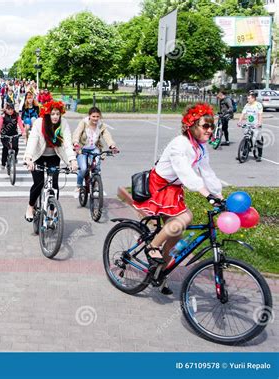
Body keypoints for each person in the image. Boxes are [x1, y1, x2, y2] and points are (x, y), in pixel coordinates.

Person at [131, 103, 223, 295]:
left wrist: (219, 195)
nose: (209, 130)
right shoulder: (180, 144)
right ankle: (152, 246)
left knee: (176, 234)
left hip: (173, 189)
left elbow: (207, 172)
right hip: (160, 186)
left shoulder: (200, 148)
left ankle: (160, 273)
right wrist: (206, 195)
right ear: (191, 126)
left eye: (211, 126)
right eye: (205, 126)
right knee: (185, 218)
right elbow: (185, 172)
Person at [23, 100, 78, 222]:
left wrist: (72, 160)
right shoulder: (39, 123)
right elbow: (32, 140)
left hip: (54, 156)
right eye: (52, 114)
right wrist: (29, 158)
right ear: (48, 114)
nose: (55, 117)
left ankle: (52, 213)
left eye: (58, 114)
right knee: (39, 183)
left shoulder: (63, 123)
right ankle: (30, 206)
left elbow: (67, 143)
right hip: (38, 156)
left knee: (54, 185)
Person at [72, 107, 119, 194]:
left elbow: (106, 135)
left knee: (97, 167)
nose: (95, 118)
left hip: (94, 148)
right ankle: (78, 185)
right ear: (89, 116)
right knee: (83, 168)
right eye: (93, 116)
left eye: (97, 116)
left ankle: (96, 182)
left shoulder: (101, 125)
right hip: (82, 149)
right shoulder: (83, 123)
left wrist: (112, 145)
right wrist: (76, 143)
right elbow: (77, 133)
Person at [0, 103, 25, 170]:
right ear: (6, 109)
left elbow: (20, 124)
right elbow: (0, 124)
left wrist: (23, 132)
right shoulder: (3, 116)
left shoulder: (16, 115)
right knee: (5, 149)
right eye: (8, 109)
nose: (10, 111)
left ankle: (14, 157)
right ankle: (3, 163)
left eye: (11, 109)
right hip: (4, 135)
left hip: (14, 134)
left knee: (16, 147)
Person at [237, 91, 264, 162]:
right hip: (248, 124)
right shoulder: (247, 105)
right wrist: (239, 121)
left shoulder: (258, 105)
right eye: (247, 98)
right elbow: (243, 114)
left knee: (258, 139)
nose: (247, 100)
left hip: (256, 124)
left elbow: (260, 115)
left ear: (253, 98)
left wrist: (259, 123)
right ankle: (243, 154)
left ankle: (259, 156)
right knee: (246, 137)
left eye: (249, 98)